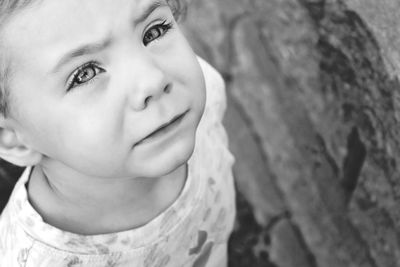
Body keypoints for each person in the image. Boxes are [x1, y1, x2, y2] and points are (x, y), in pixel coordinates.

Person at [0, 0, 236, 266]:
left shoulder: (200, 104)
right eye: (85, 74)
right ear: (14, 139)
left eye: (154, 31)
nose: (154, 80)